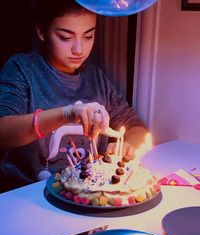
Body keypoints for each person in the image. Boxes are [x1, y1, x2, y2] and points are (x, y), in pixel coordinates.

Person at [0, 0, 148, 193]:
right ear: (41, 31)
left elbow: (137, 127)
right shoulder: (22, 69)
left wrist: (129, 147)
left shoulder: (97, 79)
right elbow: (3, 132)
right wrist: (66, 114)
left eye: (89, 36)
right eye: (65, 37)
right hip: (27, 197)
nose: (79, 49)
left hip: (85, 198)